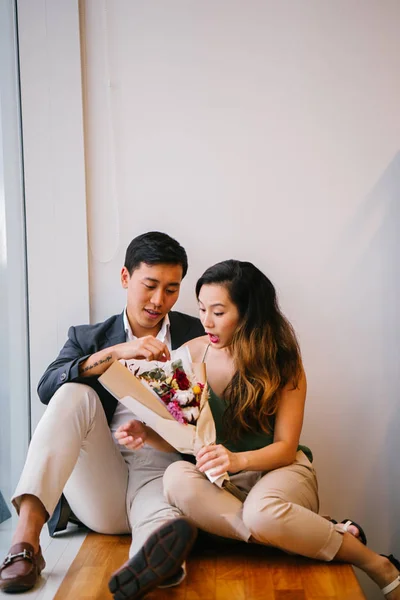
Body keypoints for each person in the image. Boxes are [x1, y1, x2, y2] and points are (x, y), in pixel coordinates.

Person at [152, 259, 399, 599]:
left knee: (262, 512)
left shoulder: (284, 363)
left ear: (248, 312)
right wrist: (147, 433)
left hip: (280, 471)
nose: (206, 321)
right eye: (201, 309)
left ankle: (378, 564)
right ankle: (312, 532)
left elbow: (285, 447)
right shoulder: (191, 355)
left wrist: (237, 461)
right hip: (222, 484)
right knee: (176, 477)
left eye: (219, 312)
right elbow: (182, 433)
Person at [0, 231, 203, 595]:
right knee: (72, 393)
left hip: (165, 468)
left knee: (163, 523)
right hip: (102, 476)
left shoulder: (196, 333)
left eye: (171, 289)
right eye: (150, 285)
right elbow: (47, 387)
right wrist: (121, 352)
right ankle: (25, 543)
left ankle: (153, 565)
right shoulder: (89, 337)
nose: (159, 300)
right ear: (126, 278)